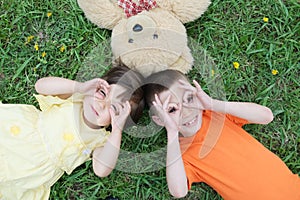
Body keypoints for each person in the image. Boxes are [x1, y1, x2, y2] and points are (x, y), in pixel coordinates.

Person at [143, 69, 300, 200]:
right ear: (159, 120)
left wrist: (213, 104)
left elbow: (266, 116)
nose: (187, 112)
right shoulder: (183, 154)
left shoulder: (215, 116)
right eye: (172, 110)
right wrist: (171, 132)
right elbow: (178, 191)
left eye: (188, 99)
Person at [0, 64, 145, 200]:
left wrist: (117, 132)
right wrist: (79, 87)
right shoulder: (76, 98)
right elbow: (40, 86)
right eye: (102, 92)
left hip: (31, 167)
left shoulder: (100, 140)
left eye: (113, 108)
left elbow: (101, 170)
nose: (101, 104)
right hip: (20, 131)